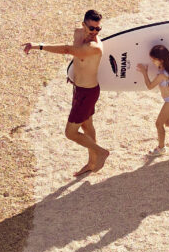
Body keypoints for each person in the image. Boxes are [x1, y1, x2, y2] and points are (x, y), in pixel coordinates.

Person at [24, 9, 109, 177]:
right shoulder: (79, 34)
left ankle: (101, 152)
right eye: (92, 28)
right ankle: (92, 163)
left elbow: (66, 50)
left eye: (98, 29)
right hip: (80, 89)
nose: (95, 33)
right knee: (86, 125)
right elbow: (78, 60)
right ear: (83, 25)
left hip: (87, 93)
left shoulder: (94, 47)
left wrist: (37, 46)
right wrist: (73, 75)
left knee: (70, 133)